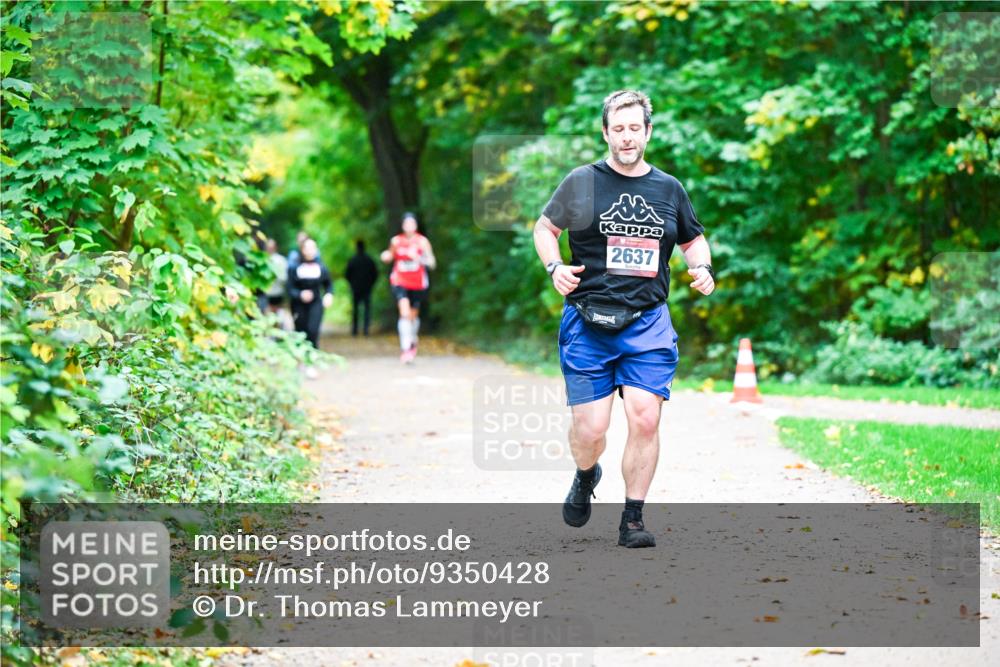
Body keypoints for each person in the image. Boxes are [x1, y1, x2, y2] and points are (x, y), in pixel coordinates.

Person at [532, 90, 715, 548]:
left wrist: (703, 268)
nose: (627, 137)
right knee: (590, 432)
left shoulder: (669, 188)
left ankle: (632, 518)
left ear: (648, 132)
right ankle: (585, 472)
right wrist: (554, 267)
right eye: (619, 128)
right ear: (605, 132)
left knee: (645, 418)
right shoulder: (581, 182)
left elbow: (694, 241)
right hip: (588, 322)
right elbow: (545, 229)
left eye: (636, 128)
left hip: (647, 322)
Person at [380, 212, 435, 363]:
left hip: (417, 283)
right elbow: (389, 255)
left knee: (412, 316)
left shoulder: (422, 242)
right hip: (400, 281)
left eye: (412, 224)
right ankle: (406, 348)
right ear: (403, 226)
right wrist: (385, 256)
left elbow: (432, 262)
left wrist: (419, 258)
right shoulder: (396, 241)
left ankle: (412, 339)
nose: (409, 227)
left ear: (416, 225)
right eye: (406, 224)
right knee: (404, 313)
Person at [287, 238, 333, 353]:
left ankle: (312, 358)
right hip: (298, 305)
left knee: (313, 330)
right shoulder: (294, 267)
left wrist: (329, 295)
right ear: (302, 250)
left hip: (316, 303)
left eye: (313, 248)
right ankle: (301, 358)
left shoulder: (321, 267)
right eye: (307, 248)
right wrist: (300, 294)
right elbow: (289, 288)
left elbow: (328, 285)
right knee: (301, 331)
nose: (310, 251)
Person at [345, 239, 378, 337]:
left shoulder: (353, 260)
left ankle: (355, 330)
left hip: (356, 288)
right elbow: (375, 274)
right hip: (366, 288)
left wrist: (352, 284)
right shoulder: (369, 260)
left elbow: (347, 274)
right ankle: (366, 330)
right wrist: (371, 284)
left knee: (356, 310)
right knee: (367, 309)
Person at [264, 239, 290, 328]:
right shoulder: (262, 258)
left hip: (278, 293)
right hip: (265, 293)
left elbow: (284, 278)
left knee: (279, 315)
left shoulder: (281, 260)